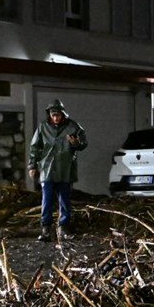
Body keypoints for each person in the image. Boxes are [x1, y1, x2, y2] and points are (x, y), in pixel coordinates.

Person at [28, 99, 87, 241]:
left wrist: (76, 143)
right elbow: (35, 147)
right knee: (46, 200)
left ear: (63, 114)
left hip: (65, 168)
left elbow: (83, 143)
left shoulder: (73, 127)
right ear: (49, 114)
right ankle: (46, 229)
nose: (56, 118)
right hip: (47, 168)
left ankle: (63, 228)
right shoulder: (43, 127)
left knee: (64, 200)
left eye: (58, 115)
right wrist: (32, 165)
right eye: (53, 115)